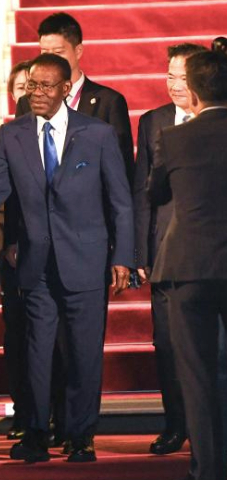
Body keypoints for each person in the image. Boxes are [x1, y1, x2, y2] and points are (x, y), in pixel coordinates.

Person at [0, 53, 133, 463]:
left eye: (46, 86)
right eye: (32, 86)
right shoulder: (11, 135)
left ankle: (80, 436)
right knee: (36, 352)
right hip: (34, 263)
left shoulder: (98, 134)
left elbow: (121, 203)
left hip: (86, 261)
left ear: (66, 90)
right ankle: (36, 433)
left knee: (84, 353)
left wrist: (123, 256)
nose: (37, 93)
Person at [147, 49, 227, 480]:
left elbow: (155, 193)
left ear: (193, 93)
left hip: (190, 268)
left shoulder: (175, 138)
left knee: (196, 378)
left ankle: (208, 470)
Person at [132, 42, 207, 457]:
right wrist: (140, 253)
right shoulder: (153, 121)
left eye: (183, 77)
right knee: (167, 344)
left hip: (210, 254)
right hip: (164, 252)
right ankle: (175, 424)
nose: (175, 85)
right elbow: (143, 192)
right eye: (170, 76)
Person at [16, 12, 134, 183]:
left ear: (78, 51)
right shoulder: (26, 103)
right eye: (44, 52)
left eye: (58, 52)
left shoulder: (109, 102)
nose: (50, 60)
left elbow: (121, 168)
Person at [0, 61, 31, 441]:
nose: (28, 93)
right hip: (10, 248)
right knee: (16, 335)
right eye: (20, 87)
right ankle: (24, 411)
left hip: (51, 246)